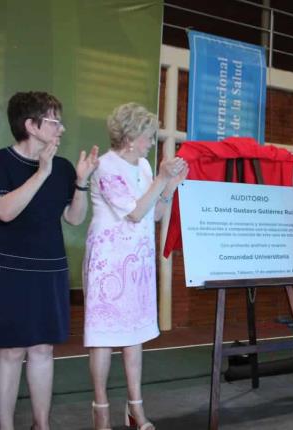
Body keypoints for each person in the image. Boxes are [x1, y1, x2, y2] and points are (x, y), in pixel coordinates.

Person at [83, 103, 187, 430]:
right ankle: (100, 409)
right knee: (103, 336)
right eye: (147, 136)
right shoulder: (104, 167)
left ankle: (135, 409)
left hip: (138, 262)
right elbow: (134, 212)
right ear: (129, 136)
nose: (151, 142)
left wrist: (170, 185)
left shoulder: (142, 165)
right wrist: (161, 177)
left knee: (135, 335)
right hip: (108, 263)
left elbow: (154, 213)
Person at [0, 91, 99, 430]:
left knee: (43, 349)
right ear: (31, 125)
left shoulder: (65, 167)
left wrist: (81, 184)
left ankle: (42, 424)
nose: (62, 129)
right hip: (10, 271)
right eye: (55, 121)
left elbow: (73, 218)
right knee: (10, 352)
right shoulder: (2, 162)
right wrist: (41, 173)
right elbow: (6, 211)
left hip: (50, 270)